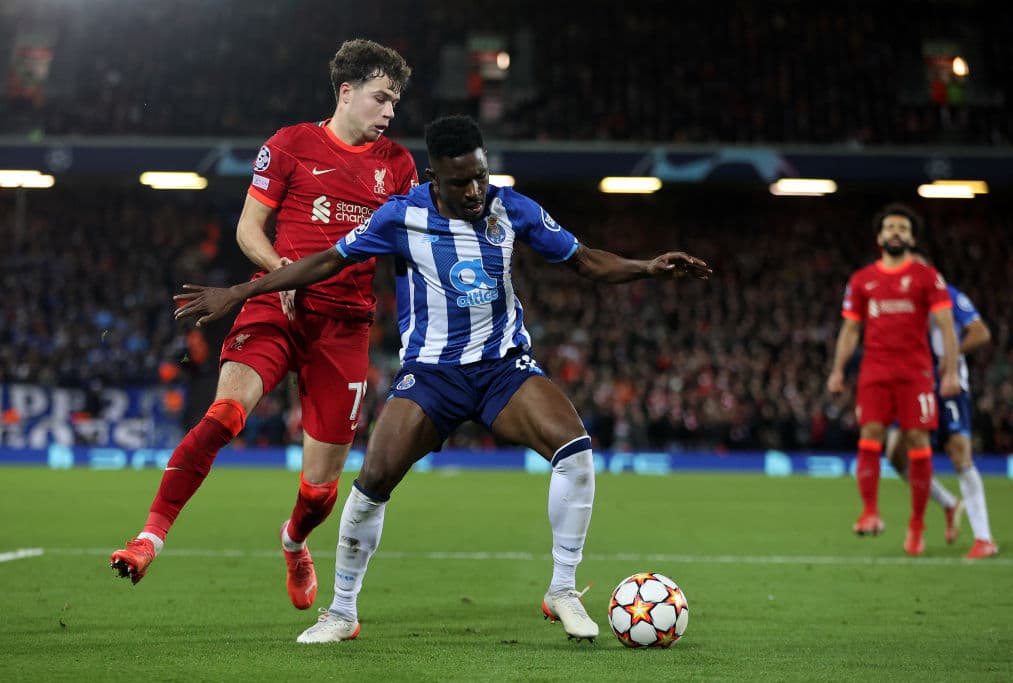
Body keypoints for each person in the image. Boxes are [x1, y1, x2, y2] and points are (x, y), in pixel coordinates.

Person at [173, 114, 712, 643]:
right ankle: (341, 613)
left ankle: (563, 590)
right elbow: (324, 262)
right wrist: (243, 292)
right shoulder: (399, 216)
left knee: (575, 450)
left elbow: (585, 260)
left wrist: (648, 267)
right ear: (436, 178)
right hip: (431, 375)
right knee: (372, 482)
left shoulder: (512, 209)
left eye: (479, 175)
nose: (475, 190)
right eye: (461, 182)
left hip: (502, 368)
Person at [110, 39, 420, 612]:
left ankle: (293, 542)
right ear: (346, 93)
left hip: (346, 326)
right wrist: (282, 273)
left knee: (320, 490)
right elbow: (249, 230)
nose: (390, 113)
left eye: (395, 103)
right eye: (381, 99)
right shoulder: (291, 144)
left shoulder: (398, 166)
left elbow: (406, 253)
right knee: (224, 414)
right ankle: (149, 536)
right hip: (276, 305)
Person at [826, 203, 960, 556]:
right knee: (870, 434)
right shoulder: (862, 280)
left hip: (915, 372)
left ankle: (917, 525)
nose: (896, 232)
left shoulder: (927, 277)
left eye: (903, 227)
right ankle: (869, 512)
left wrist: (949, 370)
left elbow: (946, 325)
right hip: (875, 370)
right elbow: (850, 329)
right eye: (890, 227)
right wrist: (838, 369)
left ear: (912, 238)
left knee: (917, 439)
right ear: (880, 237)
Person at [885, 256, 998, 559]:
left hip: (946, 385)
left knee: (959, 451)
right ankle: (949, 503)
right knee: (895, 456)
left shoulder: (947, 294)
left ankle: (983, 538)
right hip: (910, 384)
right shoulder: (895, 300)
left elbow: (980, 332)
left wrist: (947, 357)